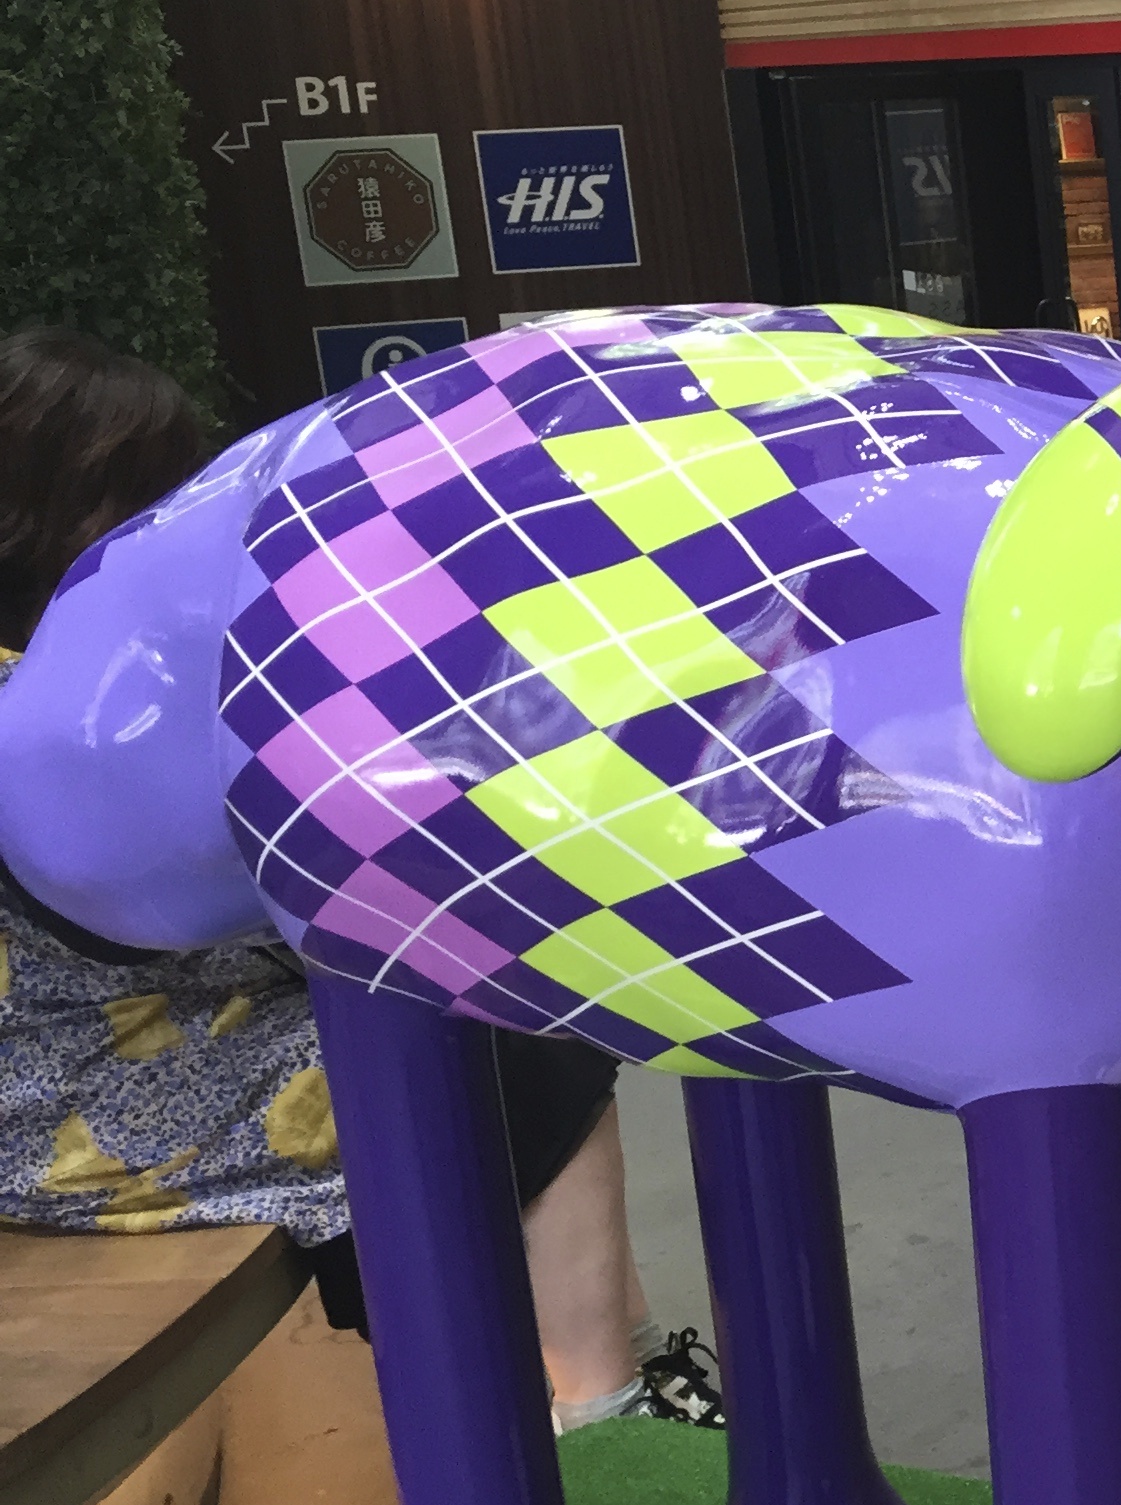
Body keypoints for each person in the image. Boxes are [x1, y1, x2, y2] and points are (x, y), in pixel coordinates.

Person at [0, 325, 715, 1431]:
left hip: (132, 1037)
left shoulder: (77, 662)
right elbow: (159, 903)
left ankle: (617, 1366)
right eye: (152, 493)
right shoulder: (46, 696)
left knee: (486, 1015)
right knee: (498, 1045)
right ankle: (603, 1399)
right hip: (66, 1099)